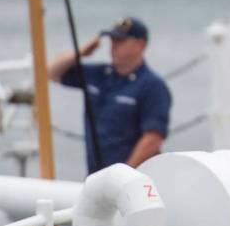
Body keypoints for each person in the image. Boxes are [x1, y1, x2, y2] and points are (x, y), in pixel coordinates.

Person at [48, 16, 171, 174]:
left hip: (133, 179)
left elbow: (153, 138)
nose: (113, 46)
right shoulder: (98, 74)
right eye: (112, 40)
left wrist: (123, 175)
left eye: (120, 41)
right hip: (96, 175)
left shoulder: (152, 86)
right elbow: (51, 72)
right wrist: (81, 53)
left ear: (140, 45)